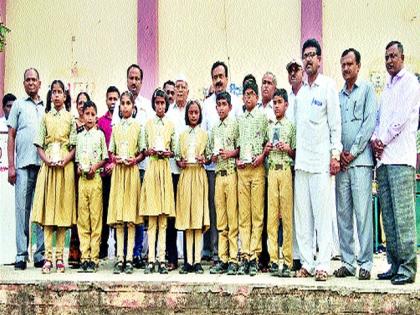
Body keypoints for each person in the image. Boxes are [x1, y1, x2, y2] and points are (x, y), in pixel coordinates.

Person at [294, 38, 342, 281]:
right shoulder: (300, 94)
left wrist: (335, 155)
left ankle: (323, 264)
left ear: (320, 60)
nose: (309, 59)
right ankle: (307, 262)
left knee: (322, 216)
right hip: (301, 164)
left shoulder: (328, 87)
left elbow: (335, 125)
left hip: (321, 164)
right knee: (303, 217)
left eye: (313, 55)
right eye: (305, 55)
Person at [373, 41, 419, 285]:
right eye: (386, 57)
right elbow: (380, 119)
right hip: (384, 161)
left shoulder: (410, 83)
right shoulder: (387, 88)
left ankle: (409, 268)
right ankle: (394, 264)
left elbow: (400, 119)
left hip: (401, 158)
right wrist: (374, 139)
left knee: (403, 217)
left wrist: (382, 140)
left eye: (393, 56)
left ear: (403, 56)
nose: (390, 60)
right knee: (388, 218)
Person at [334, 48, 377, 281]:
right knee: (343, 214)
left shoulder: (367, 90)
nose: (346, 68)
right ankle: (348, 262)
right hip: (342, 164)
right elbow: (334, 126)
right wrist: (339, 153)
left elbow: (369, 122)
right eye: (343, 65)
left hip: (360, 163)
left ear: (358, 66)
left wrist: (353, 151)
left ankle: (366, 263)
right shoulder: (337, 96)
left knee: (362, 214)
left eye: (350, 64)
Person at [32, 80, 77, 274]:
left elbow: (74, 145)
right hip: (49, 168)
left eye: (60, 92)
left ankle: (60, 257)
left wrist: (66, 160)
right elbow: (39, 145)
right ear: (50, 96)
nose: (57, 95)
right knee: (49, 213)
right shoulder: (45, 118)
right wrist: (47, 160)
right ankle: (47, 258)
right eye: (54, 92)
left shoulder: (70, 118)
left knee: (62, 212)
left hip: (64, 168)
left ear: (65, 96)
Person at [112, 64, 152, 269]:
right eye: (131, 78)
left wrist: (135, 160)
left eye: (137, 78)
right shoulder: (117, 115)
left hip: (140, 167)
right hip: (121, 169)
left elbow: (145, 142)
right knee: (122, 211)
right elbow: (113, 144)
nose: (134, 81)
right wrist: (118, 159)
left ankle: (136, 253)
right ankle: (121, 254)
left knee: (137, 211)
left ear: (141, 82)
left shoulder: (146, 107)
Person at [202, 61, 242, 263]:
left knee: (231, 210)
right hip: (211, 167)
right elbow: (204, 135)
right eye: (215, 77)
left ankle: (232, 255)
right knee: (214, 209)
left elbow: (239, 138)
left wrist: (231, 154)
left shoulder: (236, 104)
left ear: (227, 78)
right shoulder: (207, 105)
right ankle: (215, 252)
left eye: (221, 76)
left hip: (231, 168)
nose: (218, 80)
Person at [7, 68, 45, 270]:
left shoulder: (46, 106)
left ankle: (40, 254)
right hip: (22, 166)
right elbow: (11, 135)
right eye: (27, 80)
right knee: (22, 210)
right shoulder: (18, 106)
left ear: (39, 83)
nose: (31, 83)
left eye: (34, 80)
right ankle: (21, 254)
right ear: (24, 84)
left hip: (42, 166)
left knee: (39, 211)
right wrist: (11, 165)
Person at [108, 91, 144, 274]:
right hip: (119, 173)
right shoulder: (115, 127)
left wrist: (134, 160)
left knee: (131, 218)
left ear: (133, 106)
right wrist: (116, 159)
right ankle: (119, 258)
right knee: (120, 218)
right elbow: (111, 152)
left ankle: (129, 257)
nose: (124, 106)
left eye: (128, 103)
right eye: (122, 103)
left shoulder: (138, 127)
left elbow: (143, 151)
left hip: (131, 172)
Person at [140, 88, 176, 274]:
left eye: (163, 103)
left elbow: (174, 150)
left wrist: (167, 153)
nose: (160, 106)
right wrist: (150, 151)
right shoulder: (147, 125)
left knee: (163, 219)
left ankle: (162, 258)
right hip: (153, 169)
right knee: (152, 218)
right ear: (154, 104)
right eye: (157, 102)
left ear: (166, 105)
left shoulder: (171, 125)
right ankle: (151, 258)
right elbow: (143, 149)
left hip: (164, 169)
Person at [236, 80, 268, 276]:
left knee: (257, 214)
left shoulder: (263, 118)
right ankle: (245, 254)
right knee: (244, 215)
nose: (248, 97)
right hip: (243, 170)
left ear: (256, 97)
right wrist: (238, 159)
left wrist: (262, 157)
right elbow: (238, 146)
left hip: (257, 169)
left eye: (251, 94)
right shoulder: (239, 119)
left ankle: (255, 255)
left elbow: (267, 142)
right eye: (245, 94)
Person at [263, 88, 296, 278]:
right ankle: (274, 260)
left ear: (286, 104)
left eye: (279, 102)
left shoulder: (291, 126)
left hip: (285, 170)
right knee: (272, 218)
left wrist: (288, 149)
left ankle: (288, 260)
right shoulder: (269, 126)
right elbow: (264, 151)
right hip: (272, 171)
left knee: (286, 217)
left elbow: (295, 153)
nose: (276, 106)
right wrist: (267, 149)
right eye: (274, 103)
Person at [175, 100, 210, 274]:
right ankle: (187, 260)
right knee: (188, 219)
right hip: (186, 175)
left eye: (196, 112)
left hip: (198, 175)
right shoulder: (181, 135)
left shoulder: (205, 134)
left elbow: (210, 156)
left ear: (200, 114)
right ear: (187, 114)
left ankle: (197, 260)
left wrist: (205, 159)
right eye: (191, 113)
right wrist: (180, 162)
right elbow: (176, 156)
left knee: (197, 217)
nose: (194, 116)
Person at [208, 92, 239, 275]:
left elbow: (240, 148)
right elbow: (211, 153)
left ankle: (234, 258)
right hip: (219, 174)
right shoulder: (214, 129)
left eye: (224, 104)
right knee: (221, 219)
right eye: (218, 105)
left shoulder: (234, 125)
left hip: (231, 174)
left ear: (230, 106)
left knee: (232, 217)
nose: (221, 108)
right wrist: (213, 156)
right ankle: (223, 257)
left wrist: (230, 154)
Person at [76, 101, 108, 272]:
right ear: (82, 115)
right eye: (86, 114)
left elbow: (104, 157)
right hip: (82, 180)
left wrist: (95, 167)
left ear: (96, 116)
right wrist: (80, 168)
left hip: (95, 179)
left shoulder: (100, 135)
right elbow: (77, 160)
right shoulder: (79, 136)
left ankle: (94, 258)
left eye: (92, 114)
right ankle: (84, 256)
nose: (89, 117)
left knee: (95, 218)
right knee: (83, 219)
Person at [165, 76, 189, 270]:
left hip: (190, 172)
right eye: (177, 87)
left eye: (183, 87)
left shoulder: (192, 111)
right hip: (173, 169)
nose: (180, 90)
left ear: (188, 91)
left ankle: (190, 257)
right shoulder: (169, 114)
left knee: (189, 213)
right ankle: (172, 257)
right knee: (171, 216)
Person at [69, 91, 91, 268]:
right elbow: (71, 146)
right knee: (76, 211)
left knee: (89, 212)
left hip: (91, 174)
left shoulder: (93, 126)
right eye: (80, 102)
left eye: (85, 103)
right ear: (76, 105)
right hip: (75, 172)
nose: (82, 105)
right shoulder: (73, 124)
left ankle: (90, 252)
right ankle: (75, 251)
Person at [97, 86, 120, 259]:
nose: (113, 102)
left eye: (115, 99)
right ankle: (103, 248)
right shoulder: (100, 121)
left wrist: (115, 163)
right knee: (104, 210)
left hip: (119, 172)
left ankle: (120, 248)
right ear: (106, 100)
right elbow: (100, 146)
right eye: (110, 98)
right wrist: (106, 163)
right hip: (104, 173)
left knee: (119, 211)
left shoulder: (122, 120)